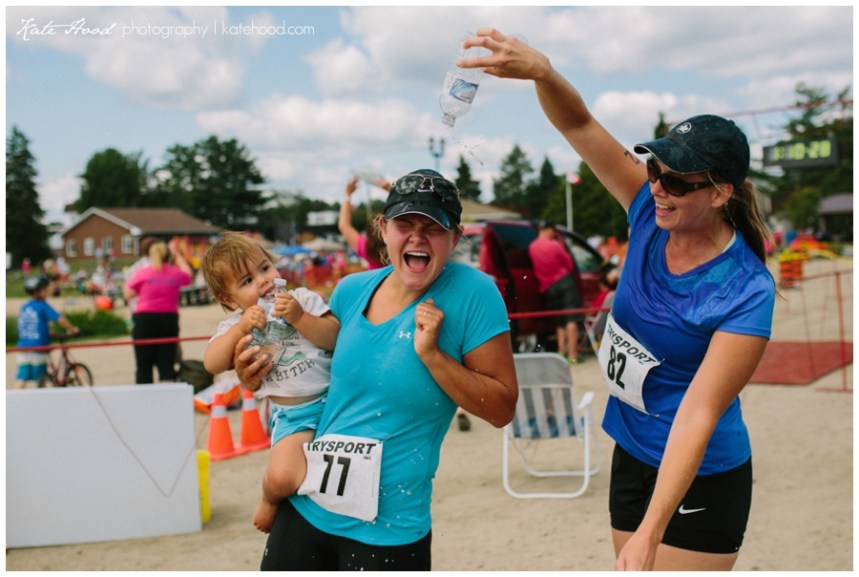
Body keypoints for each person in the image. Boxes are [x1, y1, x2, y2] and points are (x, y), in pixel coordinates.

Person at [461, 30, 775, 571]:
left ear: (721, 192)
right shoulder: (649, 214)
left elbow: (698, 415)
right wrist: (545, 73)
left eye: (675, 181)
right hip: (632, 451)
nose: (656, 187)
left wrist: (652, 531)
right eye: (654, 169)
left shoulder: (746, 290)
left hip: (700, 470)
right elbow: (579, 125)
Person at [234, 169, 518, 571]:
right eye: (405, 224)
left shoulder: (474, 293)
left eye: (433, 227)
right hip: (308, 504)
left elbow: (502, 408)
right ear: (383, 229)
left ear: (455, 238)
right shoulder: (352, 289)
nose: (417, 237)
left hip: (389, 527)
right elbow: (311, 374)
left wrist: (433, 356)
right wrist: (255, 378)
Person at [201, 232, 339, 534]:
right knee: (284, 478)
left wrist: (300, 317)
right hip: (294, 416)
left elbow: (334, 337)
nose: (263, 281)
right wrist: (241, 327)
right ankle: (269, 498)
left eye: (264, 268)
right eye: (246, 281)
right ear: (228, 298)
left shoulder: (301, 299)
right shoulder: (236, 326)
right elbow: (212, 362)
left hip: (337, 403)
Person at [123, 239, 192, 384]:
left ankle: (145, 400)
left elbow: (127, 295)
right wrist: (178, 256)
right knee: (166, 364)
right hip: (168, 319)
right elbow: (188, 275)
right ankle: (166, 400)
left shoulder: (142, 273)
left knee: (143, 365)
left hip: (144, 319)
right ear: (168, 256)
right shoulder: (175, 273)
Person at [528, 220, 585, 364]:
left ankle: (561, 352)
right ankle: (572, 355)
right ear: (550, 230)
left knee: (559, 320)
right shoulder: (555, 245)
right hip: (564, 281)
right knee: (571, 318)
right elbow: (569, 263)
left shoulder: (532, 247)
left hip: (547, 286)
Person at [15, 276, 78, 388]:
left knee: (21, 377)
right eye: (46, 289)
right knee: (40, 379)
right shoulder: (43, 306)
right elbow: (60, 319)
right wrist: (72, 329)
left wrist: (49, 333)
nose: (48, 291)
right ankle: (41, 402)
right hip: (39, 347)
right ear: (40, 291)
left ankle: (14, 402)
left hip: (23, 346)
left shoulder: (25, 306)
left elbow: (31, 325)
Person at [338, 175, 387, 269]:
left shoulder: (367, 249)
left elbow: (344, 225)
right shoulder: (399, 249)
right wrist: (390, 190)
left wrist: (347, 194)